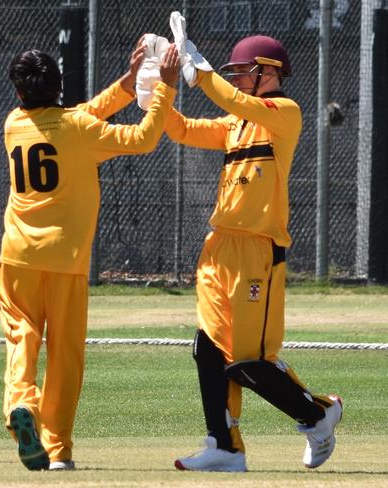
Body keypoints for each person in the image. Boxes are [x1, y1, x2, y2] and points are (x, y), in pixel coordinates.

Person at [157, 17, 342, 472]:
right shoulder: (236, 121)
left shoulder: (285, 112)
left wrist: (201, 74)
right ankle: (224, 446)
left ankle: (319, 413)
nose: (237, 76)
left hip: (258, 249)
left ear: (269, 71)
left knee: (248, 360)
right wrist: (159, 88)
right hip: (219, 246)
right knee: (209, 349)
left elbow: (233, 96)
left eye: (243, 70)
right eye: (234, 71)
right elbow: (181, 129)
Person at [0, 43, 180, 471]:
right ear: (59, 87)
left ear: (19, 93)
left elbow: (82, 114)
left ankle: (21, 406)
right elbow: (143, 138)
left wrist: (127, 81)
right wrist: (163, 88)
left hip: (18, 257)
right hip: (67, 259)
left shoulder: (13, 124)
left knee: (21, 339)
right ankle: (57, 448)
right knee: (64, 355)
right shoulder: (79, 128)